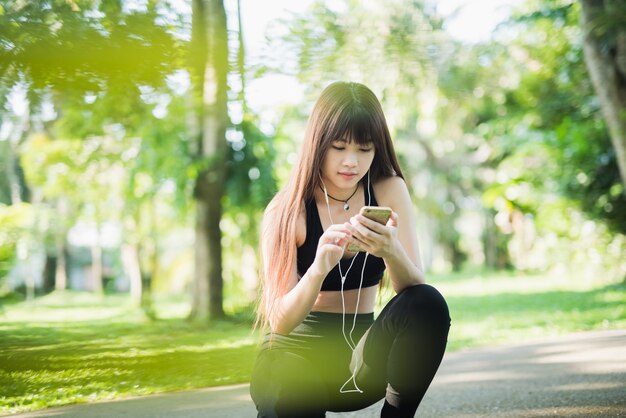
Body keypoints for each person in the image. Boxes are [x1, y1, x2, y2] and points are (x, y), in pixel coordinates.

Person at [250, 81, 450, 418]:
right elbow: (280, 321)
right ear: (318, 144)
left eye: (364, 149)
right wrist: (318, 268)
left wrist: (390, 250)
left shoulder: (388, 190)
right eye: (339, 147)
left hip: (361, 362)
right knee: (297, 388)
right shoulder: (288, 210)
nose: (351, 162)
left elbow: (413, 293)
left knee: (428, 300)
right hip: (294, 359)